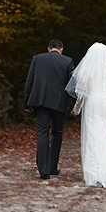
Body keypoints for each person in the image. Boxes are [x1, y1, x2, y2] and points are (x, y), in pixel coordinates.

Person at [66, 42, 106, 188]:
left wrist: (76, 109)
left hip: (93, 104)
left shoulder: (87, 71)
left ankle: (94, 174)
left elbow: (81, 94)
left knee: (93, 137)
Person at [24, 39, 75, 179]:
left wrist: (27, 103)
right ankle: (53, 166)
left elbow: (30, 80)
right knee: (57, 133)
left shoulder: (38, 58)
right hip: (58, 103)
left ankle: (43, 170)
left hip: (40, 101)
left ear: (48, 48)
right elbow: (72, 86)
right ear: (61, 49)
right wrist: (73, 105)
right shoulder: (67, 61)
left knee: (42, 133)